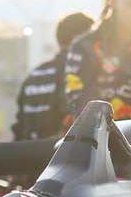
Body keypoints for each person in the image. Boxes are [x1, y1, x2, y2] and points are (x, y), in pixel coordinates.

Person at [12, 11, 95, 140]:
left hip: (29, 157)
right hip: (60, 156)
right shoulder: (76, 73)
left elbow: (19, 128)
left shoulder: (34, 75)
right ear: (79, 40)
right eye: (92, 39)